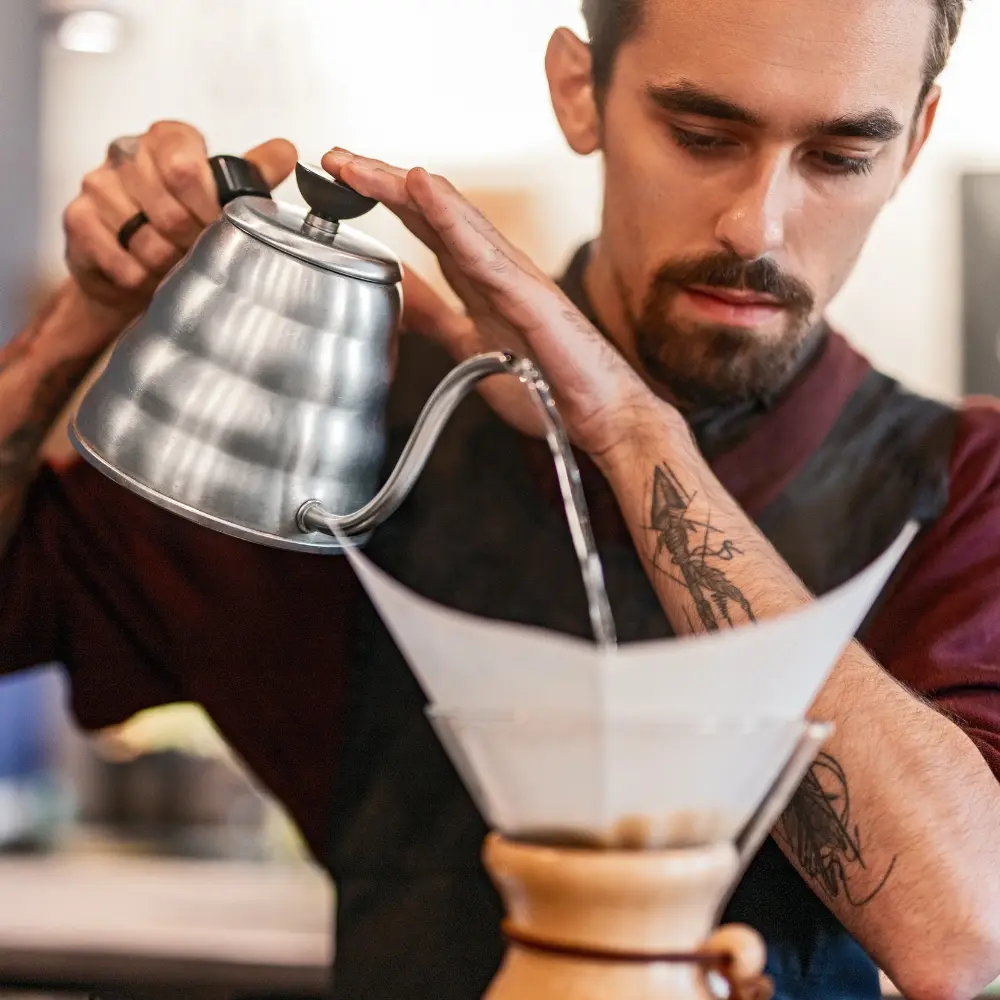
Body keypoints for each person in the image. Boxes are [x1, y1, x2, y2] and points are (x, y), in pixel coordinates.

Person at [2, 0, 1000, 997]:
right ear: (580, 93)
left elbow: (961, 932)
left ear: (910, 142)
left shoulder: (962, 484)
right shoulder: (359, 437)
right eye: (702, 137)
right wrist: (75, 325)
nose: (757, 223)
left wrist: (628, 429)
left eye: (837, 157)